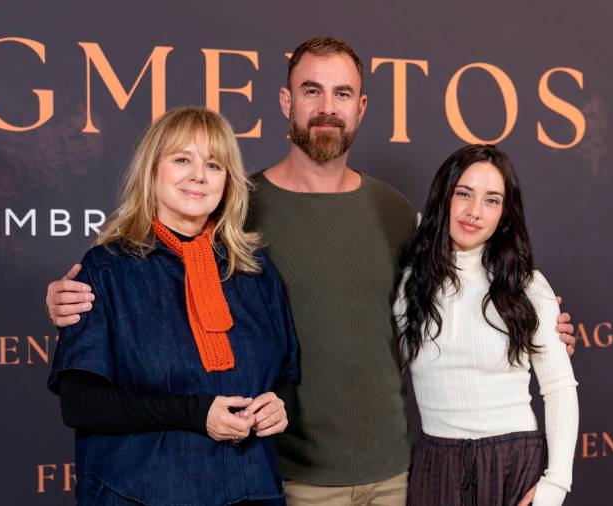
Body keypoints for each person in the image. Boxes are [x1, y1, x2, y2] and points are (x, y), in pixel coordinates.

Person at [46, 37, 577, 506]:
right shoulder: (237, 208)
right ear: (286, 101)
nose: (327, 108)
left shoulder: (391, 212)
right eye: (311, 91)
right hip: (284, 476)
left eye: (342, 93)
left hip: (388, 474)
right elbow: (135, 279)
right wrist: (69, 299)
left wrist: (533, 321)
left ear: (362, 106)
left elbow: (456, 282)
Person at [47, 106, 299, 505]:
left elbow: (286, 374)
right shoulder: (107, 269)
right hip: (138, 493)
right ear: (152, 171)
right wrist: (196, 413)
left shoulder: (257, 271)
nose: (199, 175)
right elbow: (81, 405)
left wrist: (278, 405)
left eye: (214, 165)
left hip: (250, 490)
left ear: (228, 182)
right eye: (182, 159)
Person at [396, 144, 578, 506]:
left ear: (504, 214)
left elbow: (559, 388)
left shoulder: (527, 285)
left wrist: (555, 485)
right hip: (437, 465)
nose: (474, 212)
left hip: (514, 464)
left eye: (492, 200)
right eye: (464, 194)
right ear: (444, 197)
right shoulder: (409, 283)